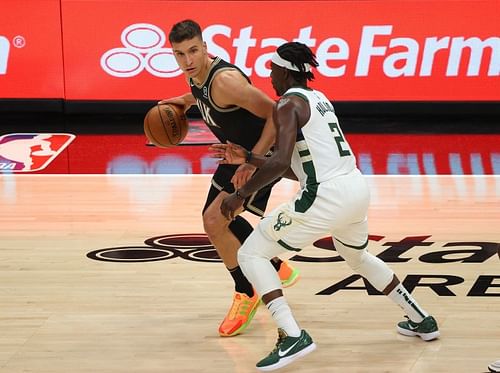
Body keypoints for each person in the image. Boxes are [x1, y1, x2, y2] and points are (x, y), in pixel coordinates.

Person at [210, 41, 440, 371]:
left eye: (272, 70)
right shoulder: (319, 100)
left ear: (285, 72)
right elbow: (297, 166)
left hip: (325, 196)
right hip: (355, 189)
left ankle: (291, 335)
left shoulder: (286, 103)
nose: (269, 76)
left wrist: (240, 195)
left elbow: (281, 163)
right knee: (357, 255)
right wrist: (248, 158)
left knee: (250, 254)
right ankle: (420, 318)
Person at [159, 20, 300, 338]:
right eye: (179, 54)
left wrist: (252, 162)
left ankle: (246, 290)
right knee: (218, 219)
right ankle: (277, 267)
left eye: (193, 51)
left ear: (205, 47)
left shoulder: (225, 82)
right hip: (236, 153)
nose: (187, 60)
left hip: (262, 155)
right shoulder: (197, 74)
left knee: (214, 221)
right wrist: (182, 101)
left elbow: (278, 111)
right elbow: (200, 94)